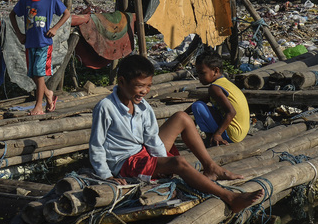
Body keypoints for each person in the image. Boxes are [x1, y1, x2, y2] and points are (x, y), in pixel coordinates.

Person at [88, 54, 263, 214]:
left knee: (182, 117)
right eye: (140, 86)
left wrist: (162, 162)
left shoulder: (143, 106)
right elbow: (97, 144)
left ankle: (211, 167)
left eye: (148, 86)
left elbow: (151, 138)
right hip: (125, 162)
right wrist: (107, 176)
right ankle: (230, 197)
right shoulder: (106, 107)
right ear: (122, 81)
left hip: (142, 152)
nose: (144, 91)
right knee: (178, 162)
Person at [9, 0, 72, 115]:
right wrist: (19, 33)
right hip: (30, 42)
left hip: (44, 42)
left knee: (38, 73)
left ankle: (38, 106)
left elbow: (67, 13)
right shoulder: (25, 0)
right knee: (33, 74)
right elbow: (12, 15)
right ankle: (49, 94)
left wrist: (55, 28)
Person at [190, 52, 250, 147]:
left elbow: (231, 112)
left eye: (202, 73)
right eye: (198, 73)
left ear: (215, 71)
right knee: (199, 104)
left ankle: (211, 138)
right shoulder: (224, 83)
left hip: (232, 136)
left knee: (197, 106)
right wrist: (183, 114)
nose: (199, 77)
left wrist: (217, 134)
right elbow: (205, 99)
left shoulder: (215, 88)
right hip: (240, 134)